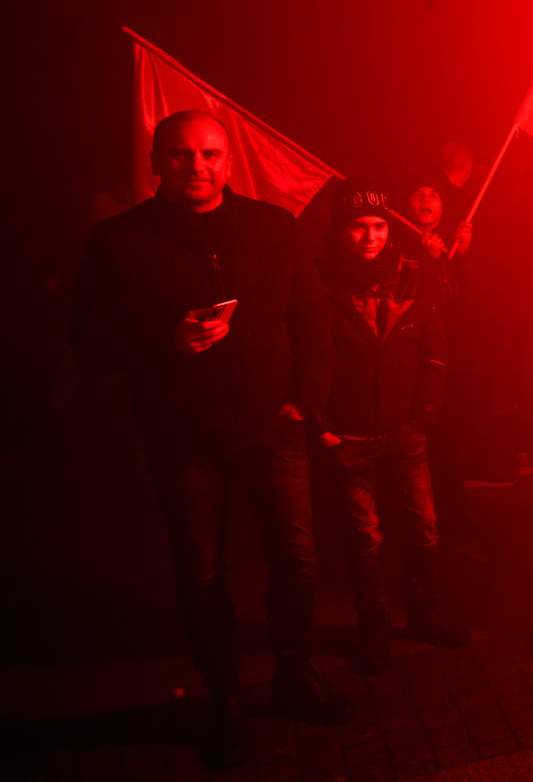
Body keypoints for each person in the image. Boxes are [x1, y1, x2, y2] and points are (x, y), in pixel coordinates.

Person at [70, 111, 347, 767]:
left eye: (210, 153)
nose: (197, 166)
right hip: (182, 432)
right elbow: (84, 335)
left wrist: (301, 403)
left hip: (270, 425)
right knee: (201, 570)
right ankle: (223, 695)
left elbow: (312, 317)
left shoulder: (272, 227)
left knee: (298, 559)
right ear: (157, 162)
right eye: (182, 155)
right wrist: (162, 340)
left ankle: (294, 671)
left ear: (229, 160)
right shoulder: (119, 240)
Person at [316, 184, 469, 675]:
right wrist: (321, 425)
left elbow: (435, 349)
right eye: (359, 226)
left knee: (423, 529)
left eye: (379, 225)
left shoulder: (412, 277)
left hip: (405, 429)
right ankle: (374, 629)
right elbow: (308, 358)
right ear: (342, 230)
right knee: (366, 539)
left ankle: (424, 615)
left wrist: (423, 415)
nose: (370, 236)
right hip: (350, 433)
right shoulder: (321, 283)